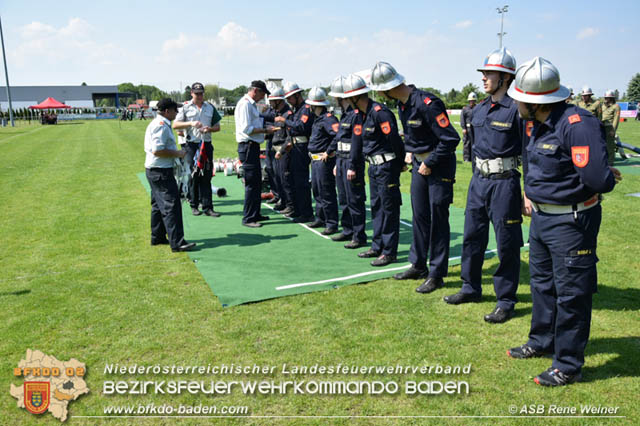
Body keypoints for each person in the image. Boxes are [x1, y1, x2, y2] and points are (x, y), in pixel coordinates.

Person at [507, 57, 621, 386]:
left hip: (571, 223)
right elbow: (533, 162)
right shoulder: (532, 122)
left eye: (519, 97)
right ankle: (542, 341)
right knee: (543, 285)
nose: (515, 101)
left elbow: (597, 178)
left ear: (535, 100)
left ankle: (568, 364)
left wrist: (606, 177)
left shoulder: (576, 123)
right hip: (542, 219)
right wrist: (530, 194)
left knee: (571, 293)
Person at [443, 47, 524, 324]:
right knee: (472, 236)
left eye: (489, 73)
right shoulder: (479, 110)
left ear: (505, 78)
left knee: (506, 243)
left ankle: (505, 300)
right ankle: (470, 287)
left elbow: (532, 152)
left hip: (505, 183)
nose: (484, 78)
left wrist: (529, 192)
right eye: (484, 73)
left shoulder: (517, 110)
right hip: (479, 181)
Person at [370, 61, 459, 292]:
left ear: (389, 88)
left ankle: (437, 274)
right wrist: (412, 153)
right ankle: (418, 264)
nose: (379, 95)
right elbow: (415, 136)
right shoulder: (403, 105)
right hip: (420, 165)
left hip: (437, 166)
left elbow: (450, 139)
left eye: (380, 90)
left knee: (438, 219)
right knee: (420, 217)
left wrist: (430, 161)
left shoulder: (427, 103)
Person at [352, 67, 406, 267]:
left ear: (357, 97)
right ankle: (377, 246)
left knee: (389, 208)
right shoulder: (362, 115)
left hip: (386, 167)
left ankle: (389, 251)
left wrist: (400, 164)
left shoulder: (379, 113)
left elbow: (394, 140)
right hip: (373, 168)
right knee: (376, 207)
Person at [144, 98, 196, 253]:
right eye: (175, 110)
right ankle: (177, 242)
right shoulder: (161, 126)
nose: (177, 112)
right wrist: (178, 153)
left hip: (155, 170)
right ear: (167, 111)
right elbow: (158, 150)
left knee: (158, 205)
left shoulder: (159, 124)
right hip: (161, 171)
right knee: (171, 206)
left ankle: (158, 236)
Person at [328, 75, 367, 248]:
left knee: (354, 200)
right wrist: (337, 161)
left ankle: (359, 236)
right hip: (341, 160)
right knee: (343, 198)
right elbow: (339, 140)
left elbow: (356, 143)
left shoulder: (356, 115)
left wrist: (352, 166)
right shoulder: (344, 115)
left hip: (352, 161)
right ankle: (348, 230)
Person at [173, 82, 222, 217]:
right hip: (191, 144)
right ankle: (194, 204)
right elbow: (175, 125)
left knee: (206, 175)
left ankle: (208, 207)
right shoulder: (185, 108)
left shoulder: (210, 107)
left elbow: (218, 127)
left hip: (206, 144)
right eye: (197, 93)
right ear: (191, 93)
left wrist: (209, 129)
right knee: (193, 175)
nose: (199, 96)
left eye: (201, 93)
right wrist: (190, 123)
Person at [235, 81, 277, 228]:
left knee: (257, 182)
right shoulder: (245, 104)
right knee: (252, 184)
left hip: (252, 146)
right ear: (256, 91)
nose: (263, 96)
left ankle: (255, 213)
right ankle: (248, 218)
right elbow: (247, 128)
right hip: (247, 146)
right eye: (263, 93)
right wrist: (266, 131)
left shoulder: (250, 104)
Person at [274, 82, 315, 223]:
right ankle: (298, 210)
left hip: (302, 147)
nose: (289, 101)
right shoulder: (297, 109)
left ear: (297, 95)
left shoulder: (305, 109)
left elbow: (301, 126)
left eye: (290, 98)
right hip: (294, 147)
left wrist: (285, 121)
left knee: (301, 182)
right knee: (294, 181)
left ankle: (307, 213)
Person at [305, 87, 340, 235]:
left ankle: (331, 223)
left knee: (327, 192)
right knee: (317, 191)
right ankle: (321, 218)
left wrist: (329, 151)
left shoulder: (328, 119)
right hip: (315, 160)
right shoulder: (318, 119)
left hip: (323, 161)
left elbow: (338, 135)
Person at [261, 87, 293, 213]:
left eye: (273, 101)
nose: (270, 104)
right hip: (274, 146)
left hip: (283, 150)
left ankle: (289, 203)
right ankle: (282, 200)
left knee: (285, 178)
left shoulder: (287, 114)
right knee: (276, 175)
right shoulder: (277, 113)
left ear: (279, 101)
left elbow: (288, 136)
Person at [601, 90, 621, 165]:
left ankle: (610, 162)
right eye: (605, 97)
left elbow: (616, 118)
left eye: (608, 97)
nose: (606, 99)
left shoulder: (616, 107)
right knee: (601, 144)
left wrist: (613, 130)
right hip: (601, 126)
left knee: (609, 146)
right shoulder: (602, 105)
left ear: (612, 98)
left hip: (609, 127)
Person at [460, 92, 477, 162]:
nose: (471, 102)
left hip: (475, 129)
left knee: (475, 143)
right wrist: (463, 128)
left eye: (473, 100)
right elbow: (462, 119)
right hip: (467, 129)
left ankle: (474, 157)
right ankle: (466, 158)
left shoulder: (478, 108)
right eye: (470, 101)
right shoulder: (465, 109)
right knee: (467, 143)